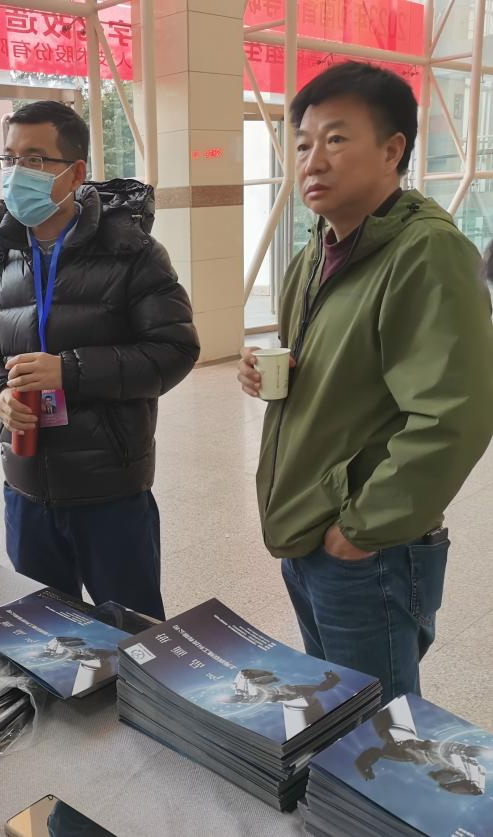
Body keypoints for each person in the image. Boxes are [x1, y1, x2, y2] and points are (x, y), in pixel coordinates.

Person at [237, 62, 493, 704]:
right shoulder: (316, 253)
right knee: (333, 705)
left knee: (378, 729)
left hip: (369, 545)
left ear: (392, 149)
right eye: (302, 145)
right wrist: (265, 374)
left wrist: (360, 531)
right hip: (309, 524)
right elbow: (329, 373)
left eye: (335, 138)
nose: (313, 160)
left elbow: (452, 416)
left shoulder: (426, 253)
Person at [0, 101, 199, 620]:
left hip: (109, 489)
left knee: (133, 636)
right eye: (9, 158)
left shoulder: (132, 252)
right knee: (45, 635)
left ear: (75, 173)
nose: (16, 172)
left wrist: (69, 371)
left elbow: (175, 350)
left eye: (35, 159)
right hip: (25, 483)